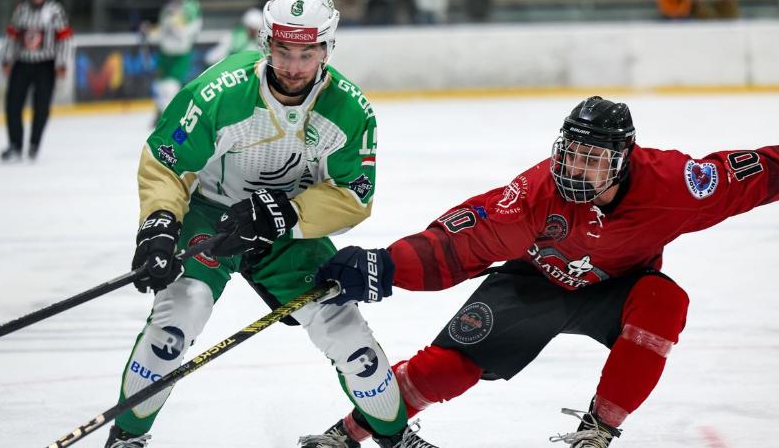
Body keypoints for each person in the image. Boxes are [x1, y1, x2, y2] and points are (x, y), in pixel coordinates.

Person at [299, 96, 779, 447]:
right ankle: (351, 431)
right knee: (448, 368)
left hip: (618, 289)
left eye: (591, 159)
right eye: (570, 152)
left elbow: (755, 176)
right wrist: (385, 264)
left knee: (664, 304)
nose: (574, 167)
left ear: (622, 160)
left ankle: (599, 429)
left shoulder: (675, 186)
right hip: (535, 283)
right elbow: (461, 243)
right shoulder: (534, 195)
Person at [104, 0, 434, 447]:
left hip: (286, 229)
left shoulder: (350, 111)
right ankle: (127, 438)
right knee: (182, 311)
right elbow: (167, 161)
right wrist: (160, 223)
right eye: (283, 51)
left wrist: (288, 213)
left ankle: (395, 438)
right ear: (266, 43)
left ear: (326, 49)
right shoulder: (218, 92)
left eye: (307, 53)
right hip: (211, 217)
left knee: (344, 329)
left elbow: (356, 195)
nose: (294, 66)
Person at [0, 0, 72, 162]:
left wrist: (61, 63)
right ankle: (15, 144)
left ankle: (34, 144)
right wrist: (6, 59)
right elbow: (11, 36)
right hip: (22, 62)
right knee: (12, 103)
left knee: (41, 106)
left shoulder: (55, 11)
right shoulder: (21, 10)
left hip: (45, 65)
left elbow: (64, 38)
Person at [143, 0, 202, 124]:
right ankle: (161, 111)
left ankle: (169, 116)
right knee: (160, 84)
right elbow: (162, 30)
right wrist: (150, 33)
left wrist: (179, 28)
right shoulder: (168, 8)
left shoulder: (191, 6)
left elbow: (192, 29)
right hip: (165, 51)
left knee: (172, 84)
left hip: (180, 52)